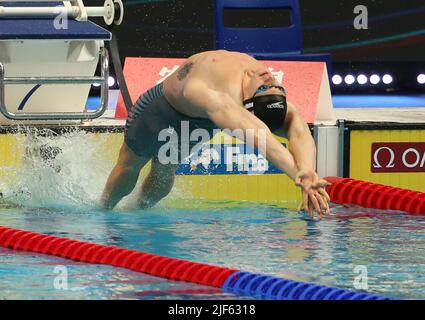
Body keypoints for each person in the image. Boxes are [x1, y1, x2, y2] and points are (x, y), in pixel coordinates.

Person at [100, 50, 331, 219]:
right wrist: (298, 175)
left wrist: (307, 172)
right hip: (160, 110)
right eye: (266, 87)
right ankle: (104, 210)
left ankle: (137, 213)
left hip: (203, 119)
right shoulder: (218, 98)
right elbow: (260, 136)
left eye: (275, 88)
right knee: (130, 163)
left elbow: (298, 130)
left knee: (165, 169)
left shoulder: (252, 94)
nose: (270, 80)